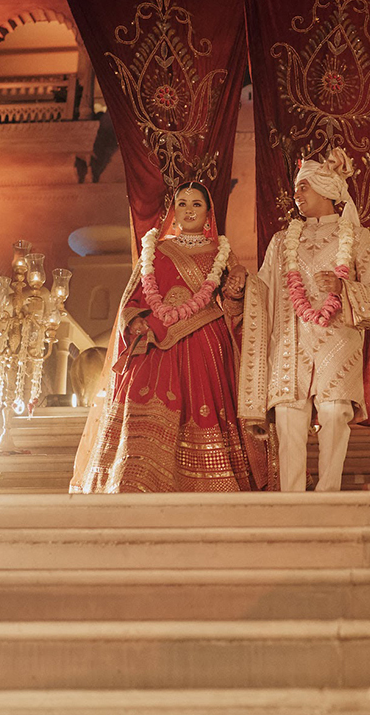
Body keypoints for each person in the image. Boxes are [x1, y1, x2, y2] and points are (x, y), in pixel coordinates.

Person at [71, 182, 263, 493]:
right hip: (155, 345)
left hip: (205, 344)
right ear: (173, 211)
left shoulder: (221, 254)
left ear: (208, 213)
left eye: (196, 204)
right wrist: (135, 322)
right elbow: (133, 300)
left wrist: (239, 291)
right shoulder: (155, 250)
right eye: (182, 203)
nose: (188, 210)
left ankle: (210, 483)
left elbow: (231, 306)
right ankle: (135, 482)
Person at [239, 149, 370, 492]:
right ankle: (292, 504)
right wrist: (238, 283)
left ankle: (328, 497)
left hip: (338, 342)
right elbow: (261, 292)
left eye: (303, 188)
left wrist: (343, 288)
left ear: (326, 190)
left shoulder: (356, 238)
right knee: (290, 418)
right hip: (291, 344)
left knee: (335, 414)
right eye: (296, 189)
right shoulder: (281, 242)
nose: (297, 195)